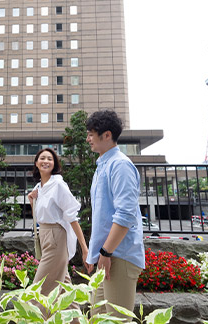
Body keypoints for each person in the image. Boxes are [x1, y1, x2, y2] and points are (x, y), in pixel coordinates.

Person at [85, 110, 145, 320]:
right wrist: (98, 253)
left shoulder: (120, 165)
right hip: (108, 255)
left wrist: (105, 252)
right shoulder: (103, 165)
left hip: (119, 256)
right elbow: (103, 216)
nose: (88, 138)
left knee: (116, 319)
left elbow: (125, 215)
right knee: (98, 317)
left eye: (92, 134)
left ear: (107, 135)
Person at [28, 148, 92, 321]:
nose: (46, 161)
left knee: (38, 289)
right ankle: (76, 320)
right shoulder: (39, 187)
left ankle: (32, 319)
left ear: (54, 164)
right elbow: (40, 217)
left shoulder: (58, 185)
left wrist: (84, 248)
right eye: (42, 158)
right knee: (64, 288)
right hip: (45, 236)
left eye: (50, 158)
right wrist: (31, 199)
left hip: (56, 237)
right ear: (36, 163)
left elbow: (72, 216)